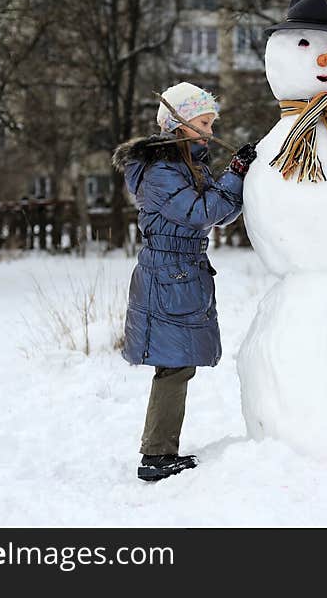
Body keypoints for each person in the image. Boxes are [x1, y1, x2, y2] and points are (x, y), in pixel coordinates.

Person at [112, 82, 256, 482]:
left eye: (212, 123)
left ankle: (160, 452)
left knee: (179, 365)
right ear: (177, 123)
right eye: (203, 122)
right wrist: (235, 177)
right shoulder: (161, 171)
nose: (210, 131)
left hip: (183, 270)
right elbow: (201, 211)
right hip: (168, 272)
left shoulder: (189, 164)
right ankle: (156, 456)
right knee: (174, 366)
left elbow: (221, 213)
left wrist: (236, 177)